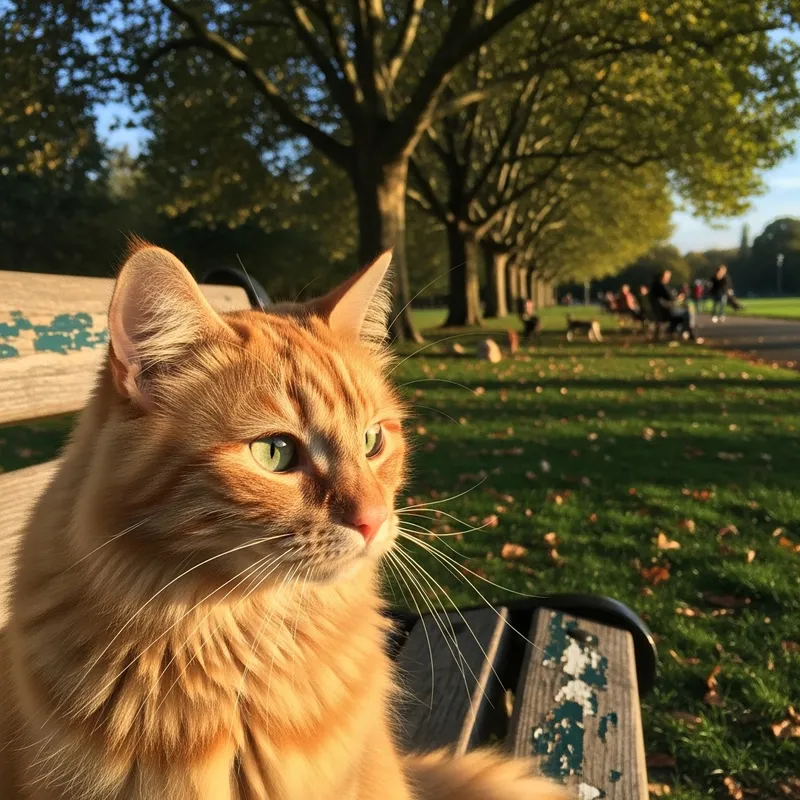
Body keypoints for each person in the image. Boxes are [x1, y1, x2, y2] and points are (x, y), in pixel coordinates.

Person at [649, 269, 697, 341]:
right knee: (686, 313)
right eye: (667, 276)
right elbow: (669, 297)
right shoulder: (660, 286)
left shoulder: (655, 286)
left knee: (683, 313)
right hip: (665, 313)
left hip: (661, 312)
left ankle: (676, 332)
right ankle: (688, 333)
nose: (668, 278)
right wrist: (678, 298)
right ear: (662, 276)